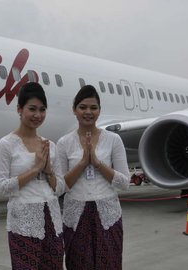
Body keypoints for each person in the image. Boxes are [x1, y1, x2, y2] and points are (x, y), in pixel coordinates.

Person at [0, 82, 65, 270]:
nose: (38, 115)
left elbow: (59, 188)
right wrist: (34, 170)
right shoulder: (6, 144)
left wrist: (48, 170)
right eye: (32, 109)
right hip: (23, 223)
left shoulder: (50, 145)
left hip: (53, 220)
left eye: (42, 110)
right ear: (19, 109)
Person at [57, 85, 130, 269]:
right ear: (74, 109)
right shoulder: (64, 143)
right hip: (75, 217)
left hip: (108, 216)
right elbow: (60, 187)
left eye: (93, 107)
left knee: (109, 264)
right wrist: (82, 163)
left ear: (99, 110)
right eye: (82, 107)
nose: (88, 112)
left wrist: (97, 163)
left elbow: (124, 183)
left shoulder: (113, 140)